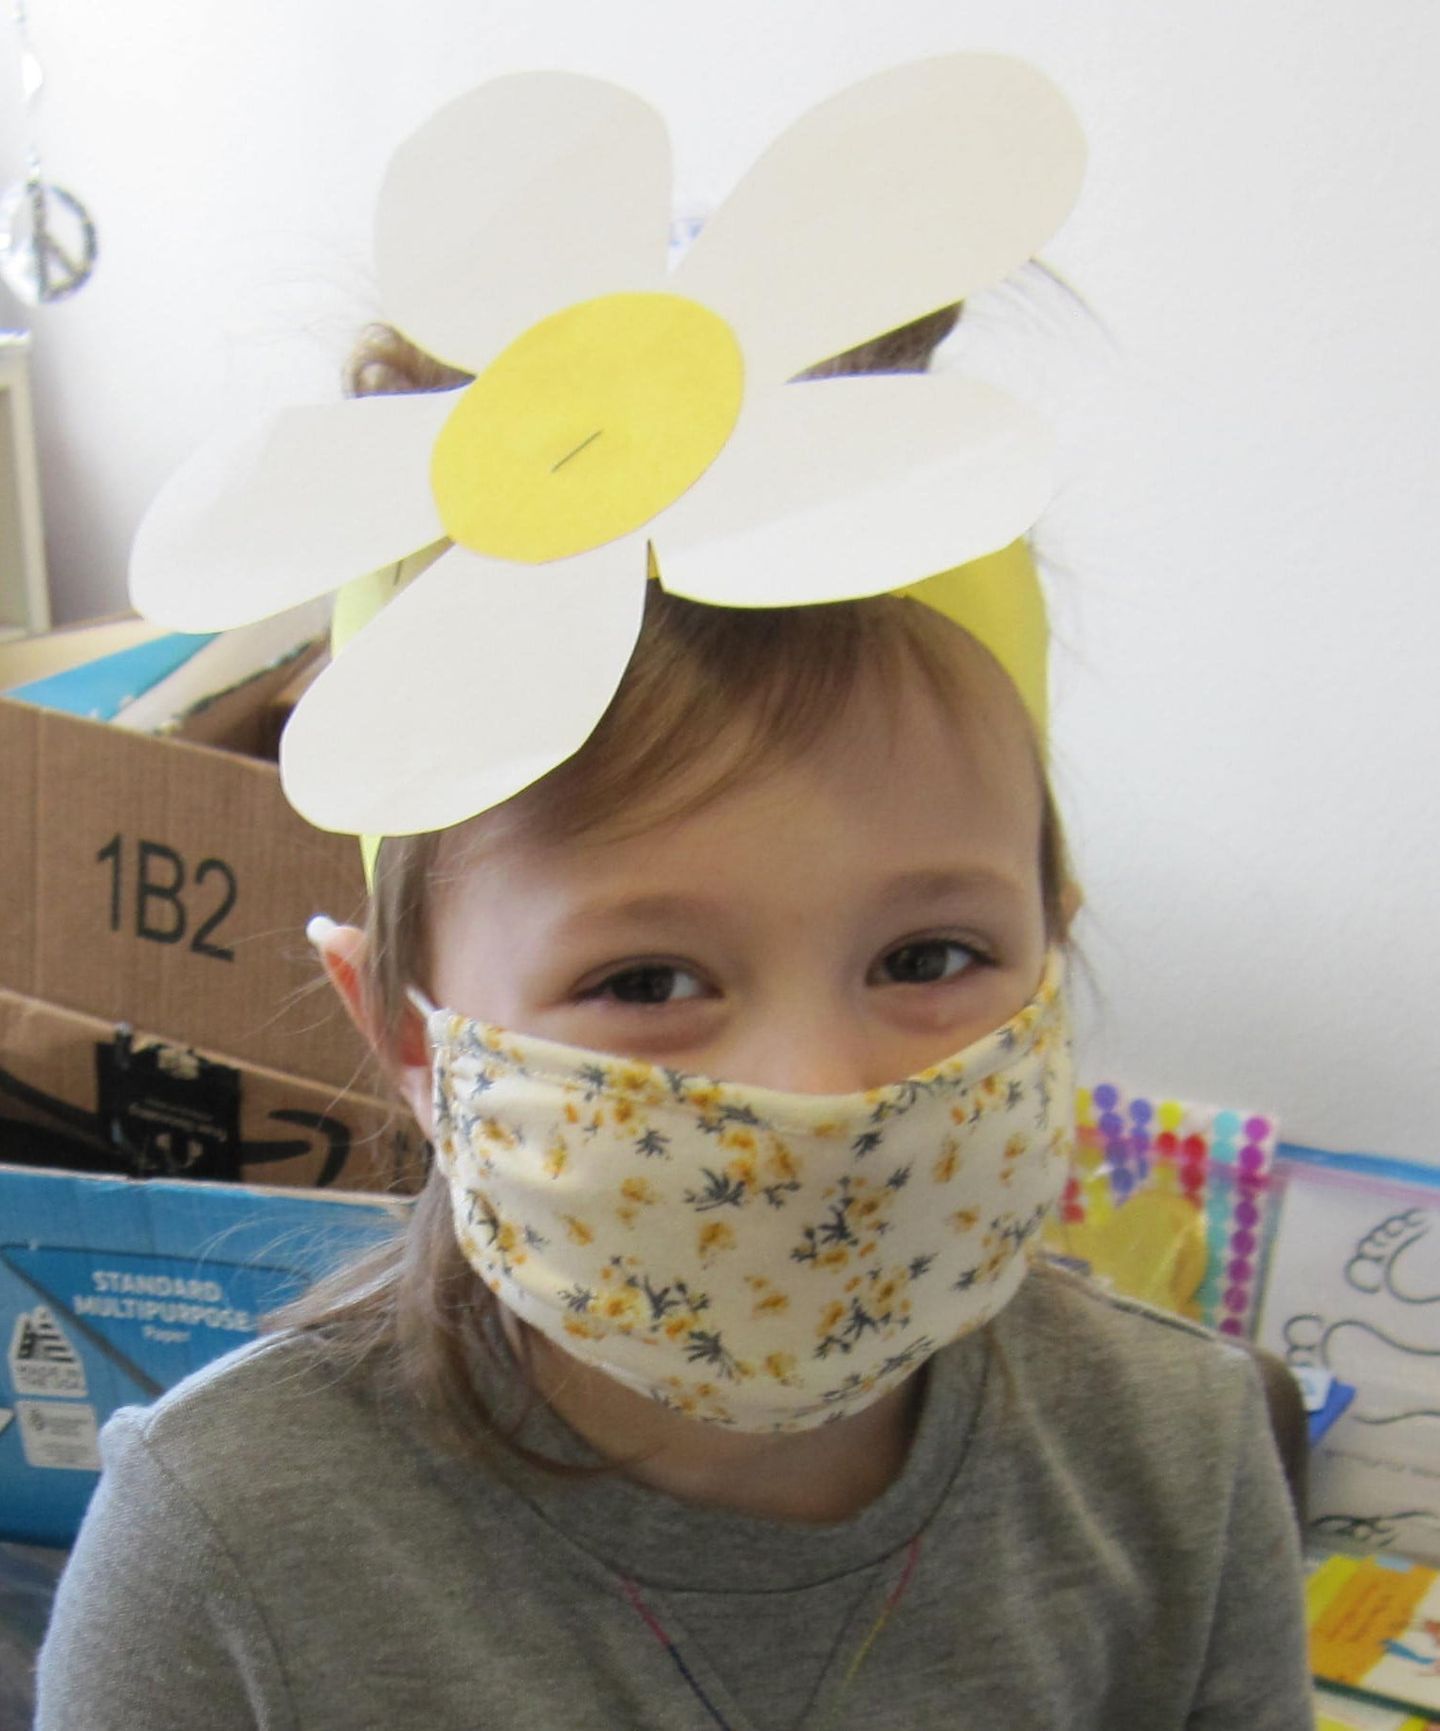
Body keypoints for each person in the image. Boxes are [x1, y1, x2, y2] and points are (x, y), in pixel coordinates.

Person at [35, 59, 1313, 1731]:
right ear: (406, 1033)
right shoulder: (227, 1543)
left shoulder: (1178, 1467)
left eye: (930, 954)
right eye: (646, 982)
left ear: (1050, 941)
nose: (814, 1093)